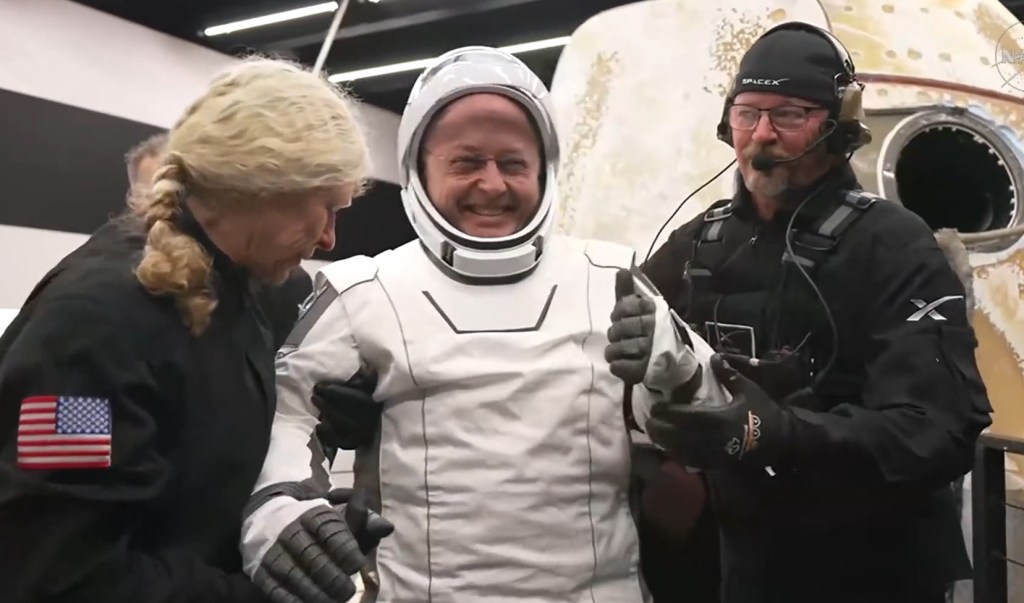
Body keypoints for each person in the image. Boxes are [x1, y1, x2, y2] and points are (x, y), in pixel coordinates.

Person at [237, 46, 728, 603]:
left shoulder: (612, 277)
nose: (492, 185)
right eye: (466, 162)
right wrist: (279, 510)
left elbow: (723, 424)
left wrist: (669, 366)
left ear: (544, 170)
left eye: (513, 163)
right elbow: (283, 415)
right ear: (420, 171)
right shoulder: (363, 290)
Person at [640, 22, 993, 603]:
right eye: (747, 114)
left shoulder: (893, 245)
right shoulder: (698, 243)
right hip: (741, 564)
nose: (761, 136)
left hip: (874, 570)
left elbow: (940, 427)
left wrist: (780, 434)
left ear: (837, 126)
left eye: (789, 115)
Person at [0, 57, 372, 603]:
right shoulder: (89, 328)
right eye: (326, 210)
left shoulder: (251, 288)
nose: (329, 240)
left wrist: (305, 470)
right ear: (262, 188)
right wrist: (262, 594)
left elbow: (205, 448)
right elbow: (59, 573)